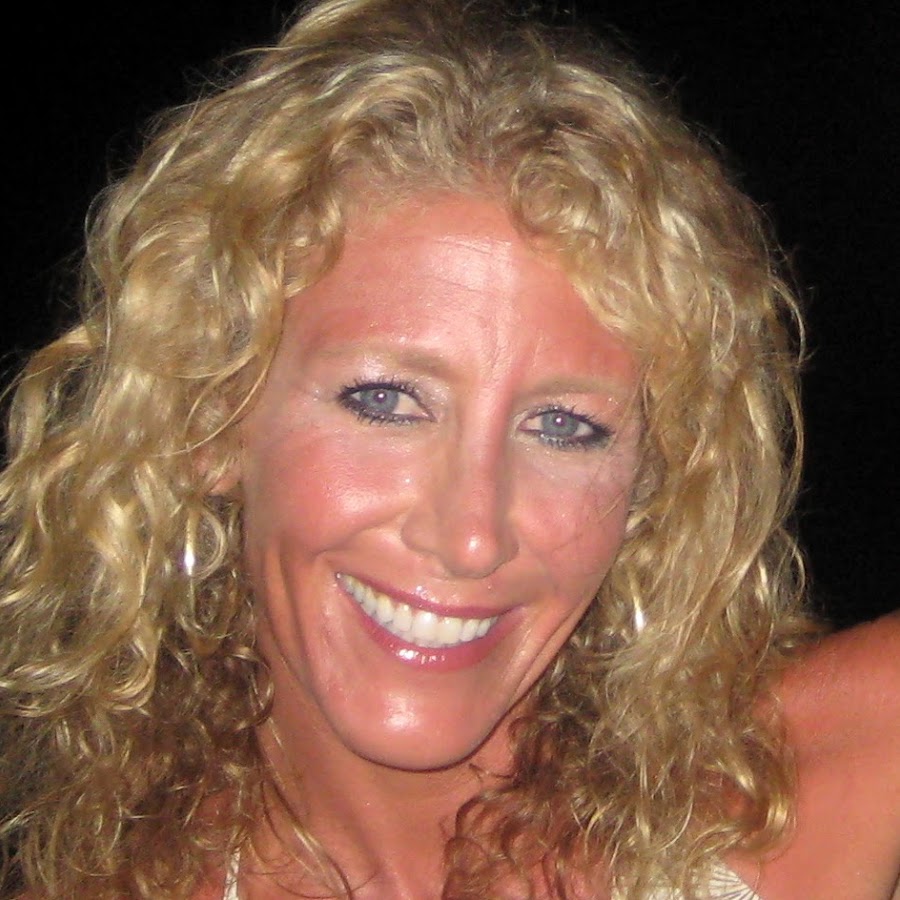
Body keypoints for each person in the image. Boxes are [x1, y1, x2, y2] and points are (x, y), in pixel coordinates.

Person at [1, 0, 897, 897]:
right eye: (387, 402)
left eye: (563, 427)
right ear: (211, 415)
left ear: (653, 481)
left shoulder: (809, 784)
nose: (471, 536)